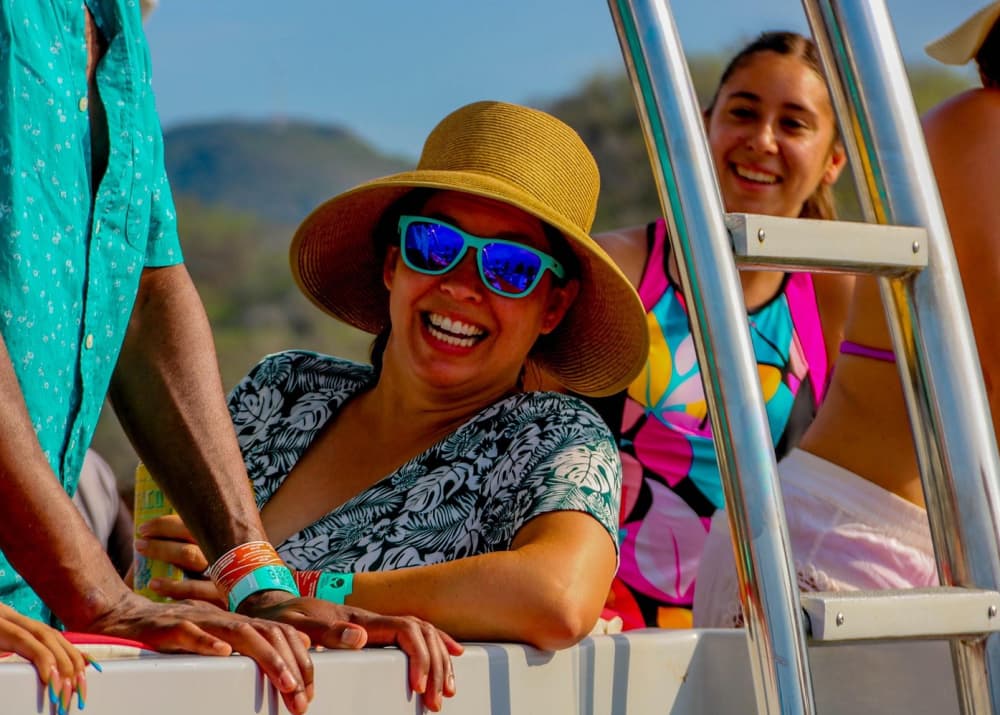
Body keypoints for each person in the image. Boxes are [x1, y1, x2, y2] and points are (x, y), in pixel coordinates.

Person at [0, 4, 457, 713]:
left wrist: (258, 579)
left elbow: (149, 290)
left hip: (43, 639)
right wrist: (105, 595)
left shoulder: (120, 35)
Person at [132, 100, 650, 651]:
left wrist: (286, 590)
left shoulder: (555, 438)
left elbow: (558, 597)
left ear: (553, 307)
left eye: (511, 267)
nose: (460, 285)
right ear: (392, 263)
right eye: (436, 245)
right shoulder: (282, 390)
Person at [693, 4, 1000, 627]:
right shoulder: (981, 130)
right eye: (743, 113)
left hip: (899, 540)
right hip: (848, 544)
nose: (762, 140)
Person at [593, 32, 851, 630]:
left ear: (832, 160)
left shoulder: (839, 297)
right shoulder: (621, 269)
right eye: (742, 113)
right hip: (600, 643)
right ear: (705, 125)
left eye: (793, 123)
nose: (761, 140)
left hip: (757, 647)